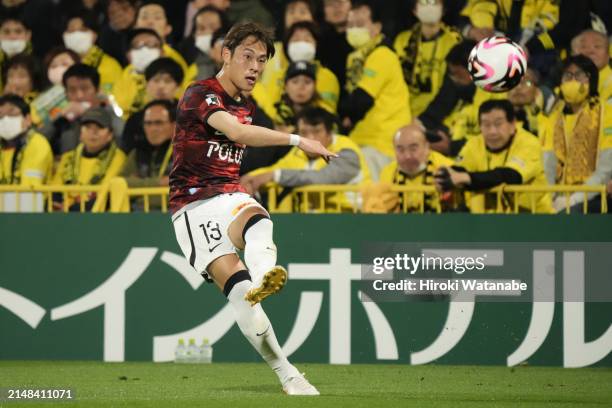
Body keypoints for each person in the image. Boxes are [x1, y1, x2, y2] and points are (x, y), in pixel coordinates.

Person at [170, 21, 335, 395]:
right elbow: (240, 134)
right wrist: (299, 139)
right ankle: (286, 372)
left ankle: (263, 275)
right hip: (193, 206)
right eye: (247, 56)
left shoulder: (247, 104)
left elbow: (244, 134)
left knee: (257, 217)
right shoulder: (200, 93)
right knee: (240, 296)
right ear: (225, 55)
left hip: (228, 194)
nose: (255, 67)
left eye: (261, 60)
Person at [241, 106, 370, 212]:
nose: (310, 138)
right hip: (313, 222)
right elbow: (277, 168)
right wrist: (250, 178)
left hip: (352, 220)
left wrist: (276, 175)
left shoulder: (346, 152)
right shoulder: (299, 152)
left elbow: (323, 178)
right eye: (304, 132)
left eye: (316, 131)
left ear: (330, 132)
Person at [435, 99, 553, 213]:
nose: (492, 131)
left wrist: (465, 178)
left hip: (534, 218)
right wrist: (445, 176)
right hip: (493, 221)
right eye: (486, 125)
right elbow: (461, 169)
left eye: (498, 124)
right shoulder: (475, 143)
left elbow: (510, 176)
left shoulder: (529, 143)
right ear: (480, 127)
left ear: (512, 125)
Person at [339, 0, 411, 179]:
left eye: (360, 24)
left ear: (377, 27)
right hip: (363, 141)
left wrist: (342, 115)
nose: (354, 29)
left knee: (372, 201)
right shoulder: (355, 58)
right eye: (351, 24)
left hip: (382, 144)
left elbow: (362, 100)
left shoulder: (382, 55)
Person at [540, 55, 612, 213]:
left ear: (591, 80)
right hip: (559, 198)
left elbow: (607, 167)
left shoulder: (607, 113)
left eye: (580, 75)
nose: (573, 81)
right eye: (567, 76)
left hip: (597, 196)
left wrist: (574, 199)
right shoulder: (554, 117)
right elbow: (548, 164)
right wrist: (550, 198)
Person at [252, 21, 340, 118]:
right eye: (296, 40)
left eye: (307, 39)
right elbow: (269, 106)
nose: (301, 44)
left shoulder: (328, 77)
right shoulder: (277, 75)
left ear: (317, 44)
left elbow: (327, 112)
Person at [394, 0, 461, 117]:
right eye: (423, 2)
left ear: (443, 9)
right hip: (403, 112)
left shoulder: (454, 42)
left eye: (435, 3)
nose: (429, 7)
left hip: (441, 114)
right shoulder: (402, 41)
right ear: (414, 10)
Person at [52, 107, 126, 210]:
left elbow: (105, 195)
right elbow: (54, 191)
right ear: (80, 133)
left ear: (110, 135)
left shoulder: (118, 157)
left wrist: (72, 209)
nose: (93, 132)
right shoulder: (68, 157)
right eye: (88, 127)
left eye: (99, 128)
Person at [41, 63, 124, 155]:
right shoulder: (64, 119)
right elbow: (37, 142)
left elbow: (122, 138)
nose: (79, 96)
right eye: (72, 90)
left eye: (85, 89)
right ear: (66, 94)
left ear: (97, 90)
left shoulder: (109, 114)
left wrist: (88, 113)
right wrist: (60, 117)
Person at [372, 124, 455, 213]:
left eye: (413, 149)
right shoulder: (388, 173)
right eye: (400, 150)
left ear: (427, 147)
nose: (407, 156)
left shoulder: (448, 168)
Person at [120, 99, 174, 210]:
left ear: (174, 125)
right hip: (138, 217)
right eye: (148, 123)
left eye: (159, 123)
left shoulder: (187, 152)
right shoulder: (136, 153)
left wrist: (138, 188)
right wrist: (160, 183)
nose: (153, 129)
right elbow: (121, 183)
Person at [62, 10, 123, 95]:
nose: (76, 34)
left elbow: (112, 100)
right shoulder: (59, 65)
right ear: (64, 36)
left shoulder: (108, 66)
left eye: (82, 30)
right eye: (71, 30)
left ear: (94, 35)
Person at [0, 93, 52, 186]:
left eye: (12, 113)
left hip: (26, 199)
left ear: (28, 119)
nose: (6, 120)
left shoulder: (37, 143)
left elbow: (28, 190)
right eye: (1, 116)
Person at [30, 47, 79, 127]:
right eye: (54, 66)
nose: (60, 69)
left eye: (65, 64)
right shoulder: (37, 101)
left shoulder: (90, 90)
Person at [180, 6, 228, 83]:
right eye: (201, 28)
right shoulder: (183, 60)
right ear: (194, 34)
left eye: (213, 28)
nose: (207, 32)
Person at [571, 30, 612, 101]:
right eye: (583, 47)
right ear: (573, 54)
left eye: (597, 46)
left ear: (608, 55)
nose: (590, 51)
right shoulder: (565, 84)